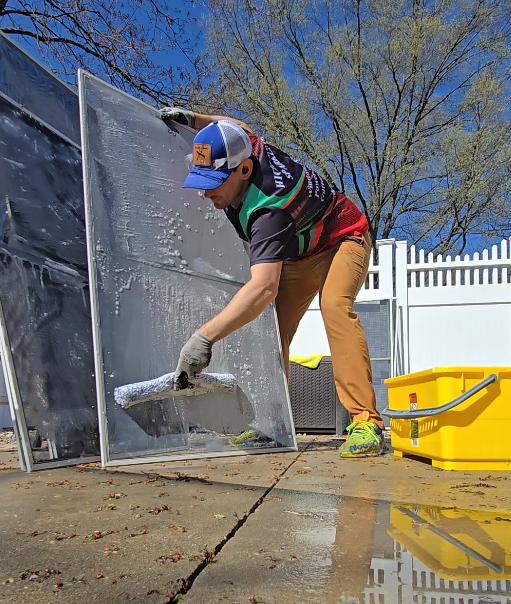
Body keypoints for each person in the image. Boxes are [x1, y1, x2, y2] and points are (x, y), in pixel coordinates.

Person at [159, 107, 385, 458]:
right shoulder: (246, 146)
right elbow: (234, 126)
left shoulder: (268, 211)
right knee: (272, 330)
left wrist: (203, 338)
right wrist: (192, 119)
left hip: (343, 238)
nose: (205, 193)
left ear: (245, 170)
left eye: (213, 183)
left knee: (335, 306)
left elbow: (264, 287)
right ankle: (273, 425)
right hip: (301, 251)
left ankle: (367, 421)